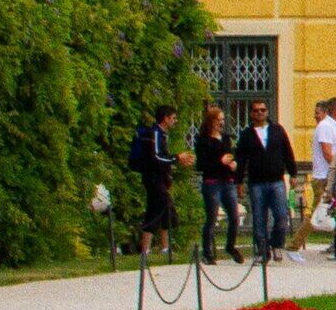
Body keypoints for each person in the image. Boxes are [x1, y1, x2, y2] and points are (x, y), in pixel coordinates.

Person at [236, 101, 298, 260]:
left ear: (267, 112)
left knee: (281, 216)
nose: (260, 113)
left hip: (277, 180)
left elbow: (288, 152)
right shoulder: (247, 134)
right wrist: (239, 182)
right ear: (251, 113)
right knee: (259, 218)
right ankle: (262, 250)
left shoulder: (277, 130)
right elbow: (241, 159)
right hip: (256, 182)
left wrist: (293, 174)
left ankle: (277, 244)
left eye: (263, 110)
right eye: (256, 110)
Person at [126, 104, 183, 256]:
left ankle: (165, 247)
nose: (175, 121)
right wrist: (176, 158)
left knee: (166, 209)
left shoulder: (163, 135)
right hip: (153, 178)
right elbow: (156, 157)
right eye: (173, 118)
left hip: (161, 178)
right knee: (156, 210)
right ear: (165, 118)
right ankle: (145, 248)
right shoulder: (156, 134)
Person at [191, 106, 242, 263]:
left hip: (227, 181)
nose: (221, 123)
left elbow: (231, 156)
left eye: (222, 120)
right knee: (212, 218)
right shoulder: (203, 140)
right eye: (218, 120)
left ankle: (230, 245)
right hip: (212, 182)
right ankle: (207, 252)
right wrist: (220, 163)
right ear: (211, 121)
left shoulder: (225, 138)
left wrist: (233, 165)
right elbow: (202, 164)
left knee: (234, 216)